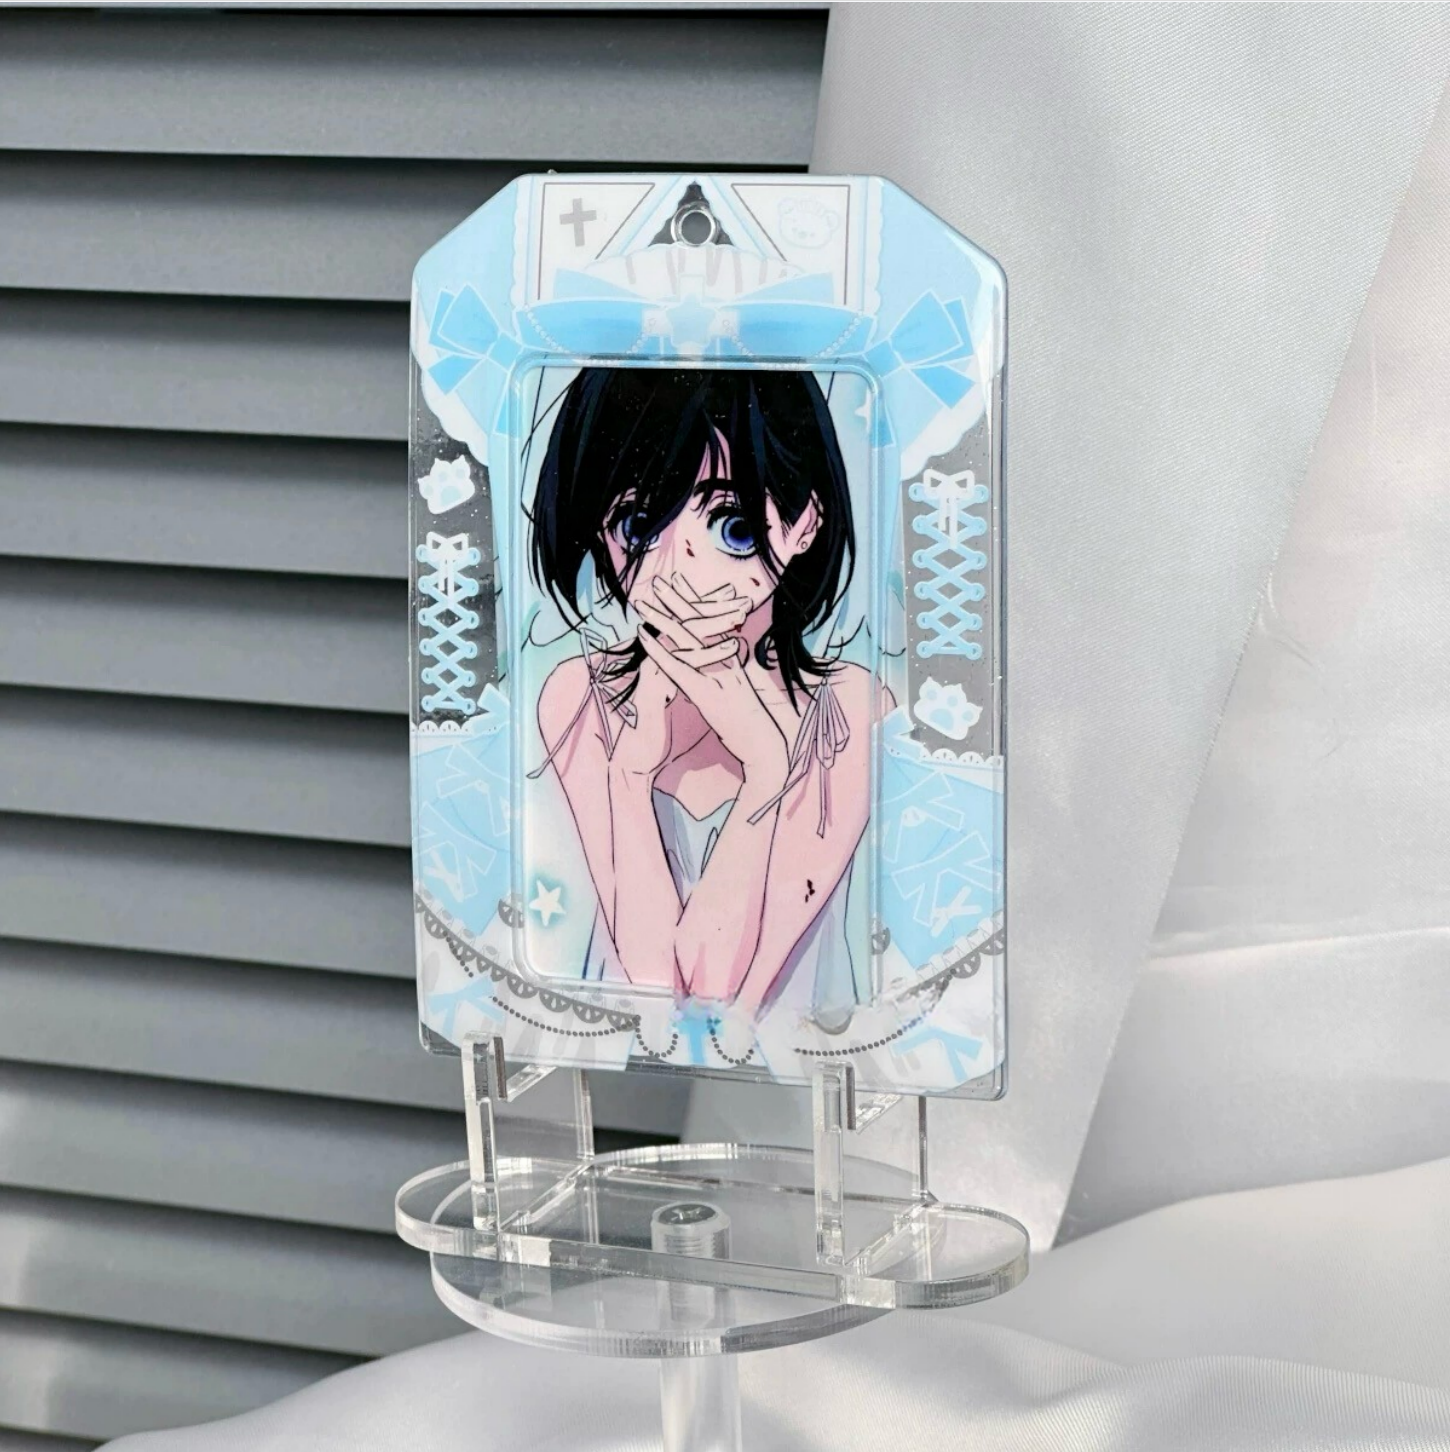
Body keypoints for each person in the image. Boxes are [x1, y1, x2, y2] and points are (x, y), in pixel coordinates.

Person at [528, 367, 885, 1026]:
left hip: (796, 1079)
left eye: (735, 528)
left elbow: (719, 994)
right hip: (624, 1072)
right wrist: (630, 773)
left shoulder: (847, 713)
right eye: (638, 525)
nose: (681, 571)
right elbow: (655, 989)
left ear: (805, 523)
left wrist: (768, 768)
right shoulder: (581, 698)